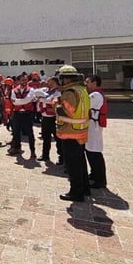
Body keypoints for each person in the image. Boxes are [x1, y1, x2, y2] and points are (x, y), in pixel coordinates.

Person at [52, 65, 91, 201]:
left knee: (73, 165)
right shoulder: (81, 90)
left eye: (61, 78)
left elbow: (65, 111)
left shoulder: (70, 92)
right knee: (80, 162)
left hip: (70, 132)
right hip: (80, 131)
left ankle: (76, 193)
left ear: (66, 79)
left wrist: (55, 103)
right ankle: (85, 188)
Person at [85, 75, 108, 188]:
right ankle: (94, 174)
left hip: (94, 126)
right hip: (91, 125)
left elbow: (85, 106)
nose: (86, 84)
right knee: (90, 151)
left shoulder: (95, 95)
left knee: (94, 152)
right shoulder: (94, 94)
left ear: (94, 83)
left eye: (88, 82)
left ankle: (100, 180)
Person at [8, 74, 36, 157]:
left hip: (28, 113)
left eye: (25, 80)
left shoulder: (31, 89)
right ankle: (17, 148)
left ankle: (32, 151)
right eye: (22, 80)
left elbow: (28, 99)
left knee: (30, 133)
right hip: (17, 113)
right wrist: (22, 101)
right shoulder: (14, 90)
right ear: (19, 81)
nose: (24, 81)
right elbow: (13, 101)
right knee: (16, 132)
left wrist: (18, 101)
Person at [38, 76, 61, 163]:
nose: (48, 82)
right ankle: (45, 155)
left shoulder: (58, 92)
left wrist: (41, 98)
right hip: (45, 117)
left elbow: (50, 100)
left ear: (54, 82)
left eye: (50, 81)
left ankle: (61, 157)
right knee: (45, 138)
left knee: (58, 139)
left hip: (54, 118)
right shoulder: (47, 90)